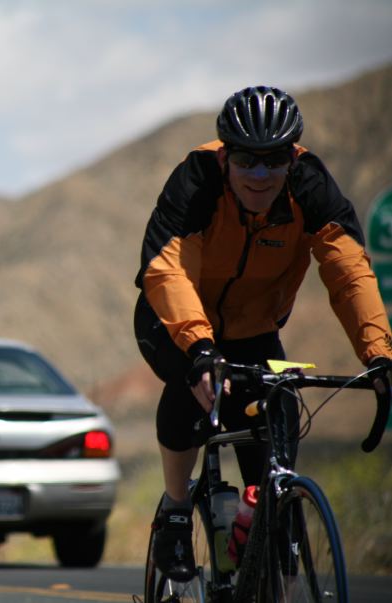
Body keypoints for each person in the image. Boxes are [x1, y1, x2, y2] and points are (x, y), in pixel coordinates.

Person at [134, 86, 392, 581]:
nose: (259, 174)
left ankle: (261, 530)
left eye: (273, 160)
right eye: (247, 160)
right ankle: (175, 507)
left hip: (254, 329)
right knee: (194, 388)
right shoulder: (197, 179)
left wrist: (378, 355)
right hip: (171, 318)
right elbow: (168, 269)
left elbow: (349, 271)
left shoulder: (310, 186)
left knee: (277, 413)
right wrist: (200, 348)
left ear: (291, 158)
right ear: (226, 156)